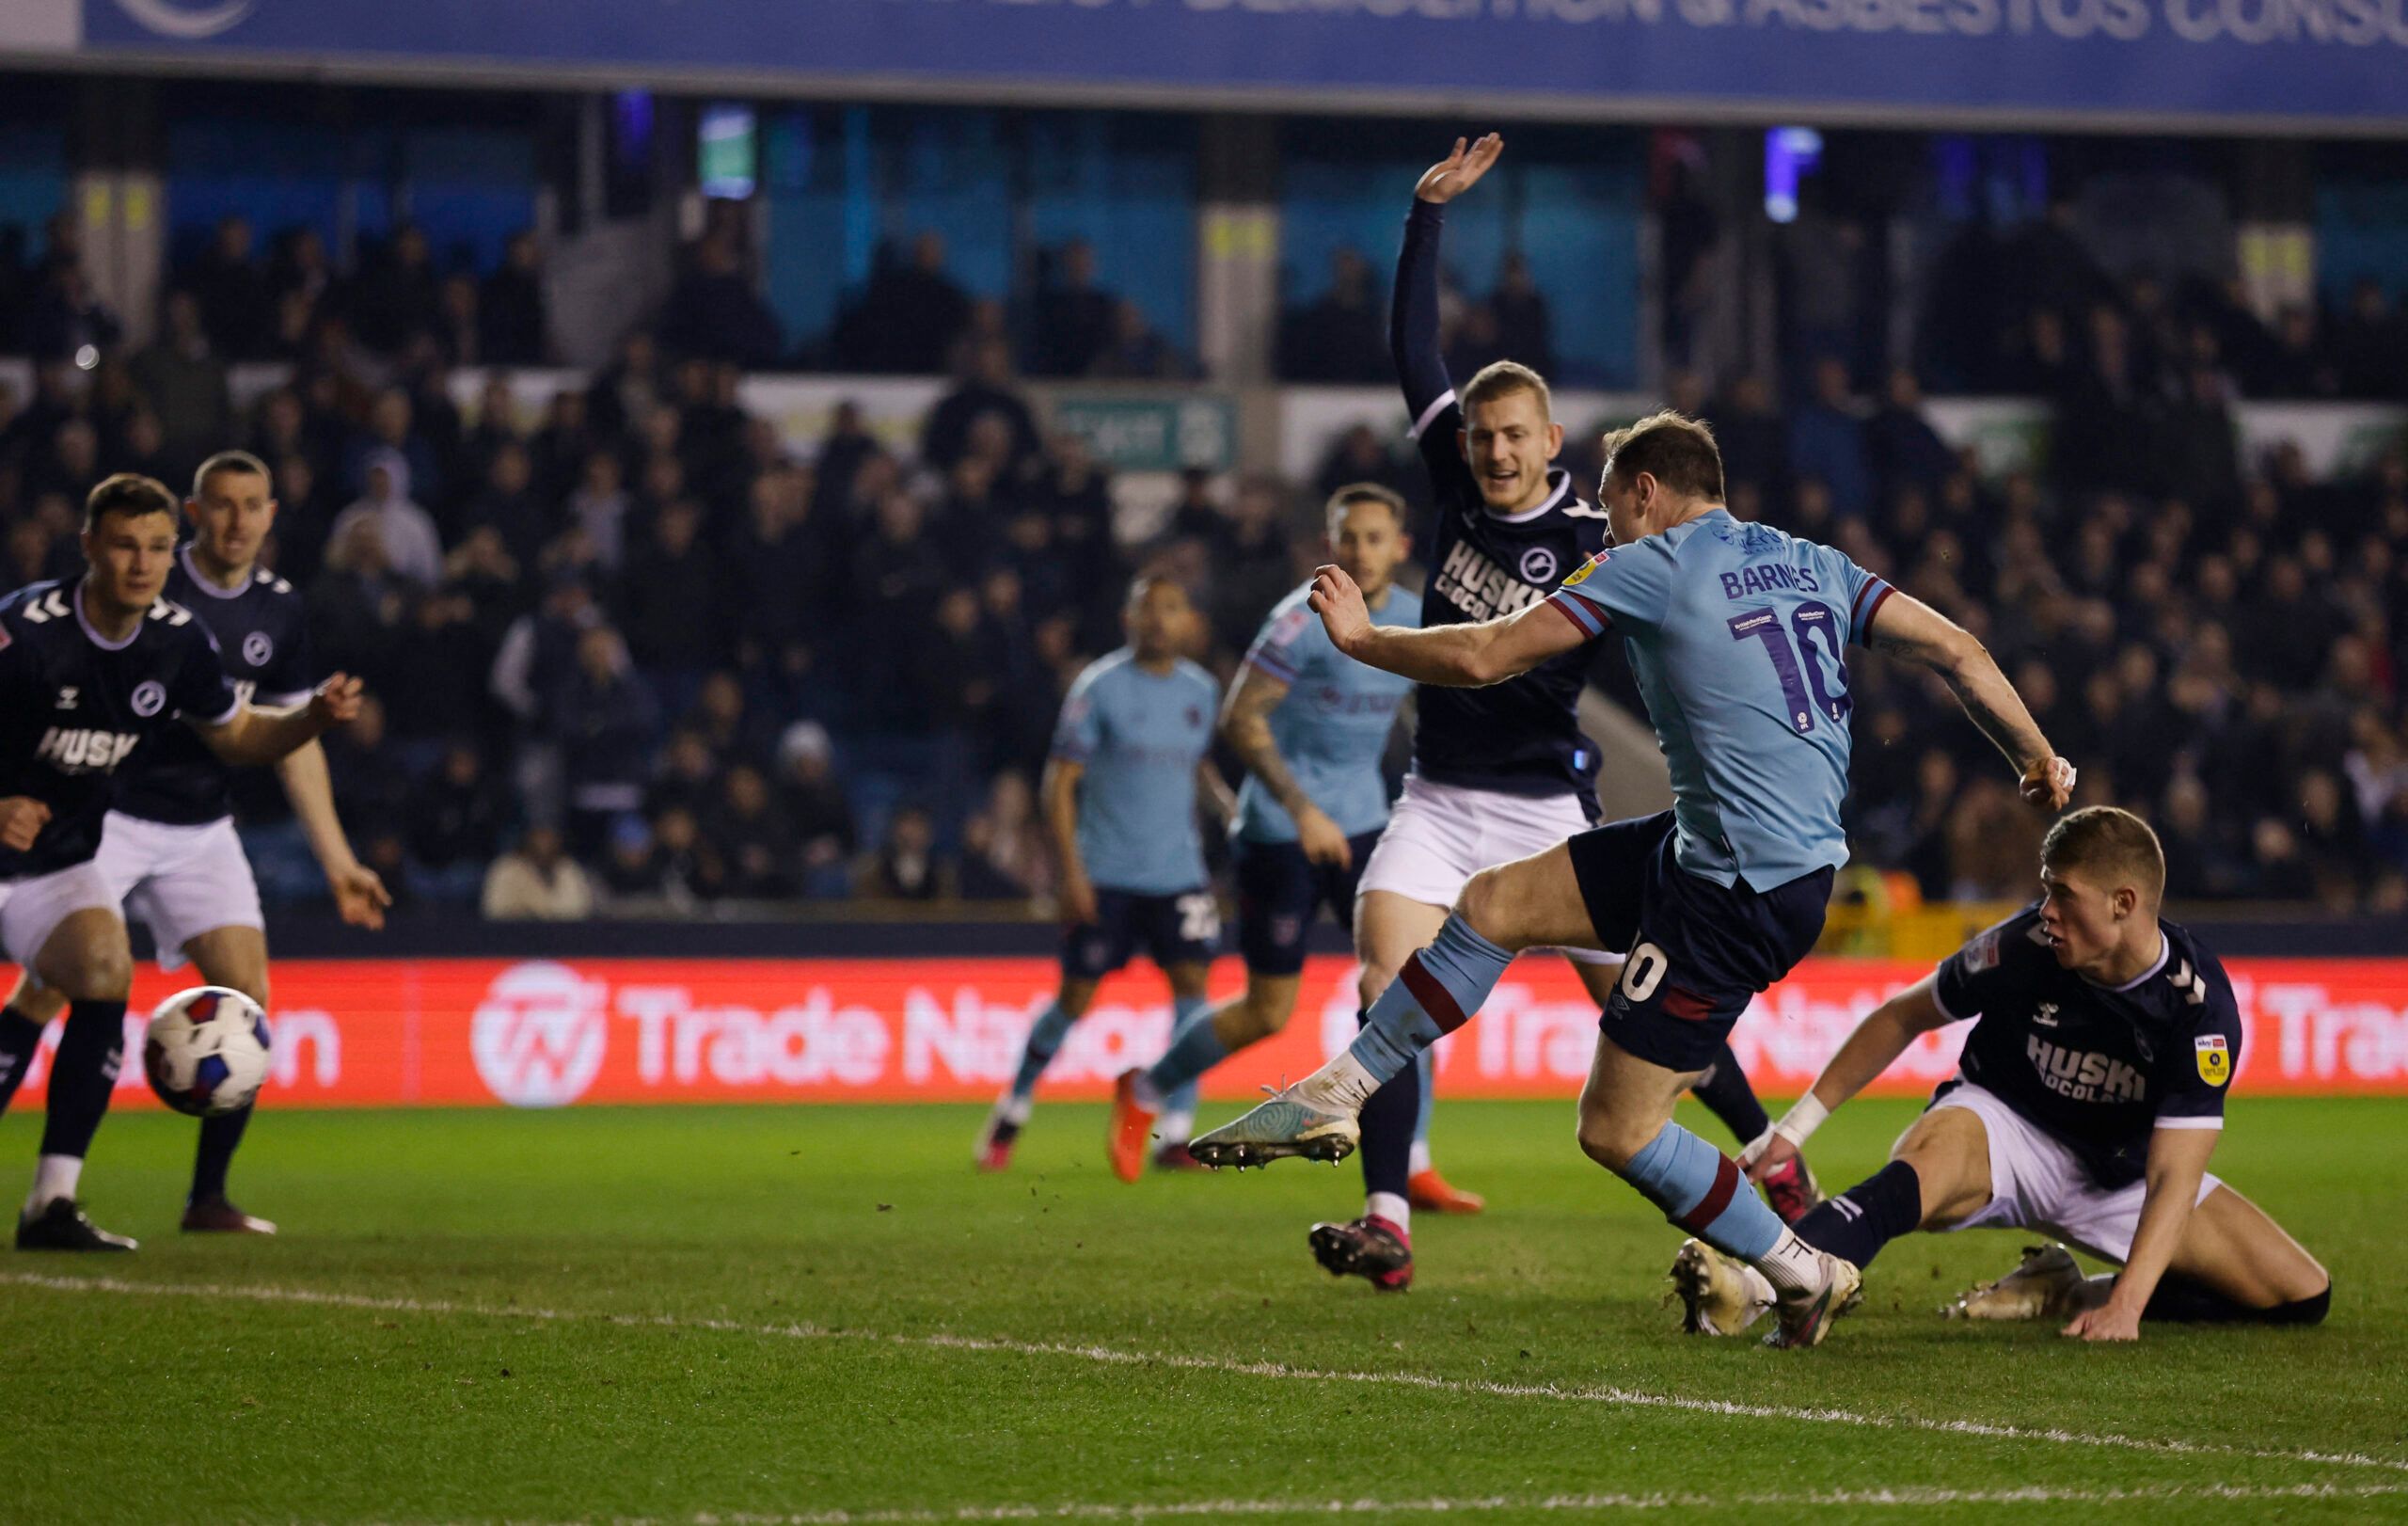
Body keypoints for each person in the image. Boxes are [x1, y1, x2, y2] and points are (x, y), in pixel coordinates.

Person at [1193, 407, 2074, 1348]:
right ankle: (1343, 1085)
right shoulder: (1814, 561)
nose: (1600, 526)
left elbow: (1485, 652)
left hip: (1735, 887)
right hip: (1736, 847)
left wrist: (1365, 640)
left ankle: (1799, 1268)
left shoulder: (1647, 563)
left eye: (1609, 506)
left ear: (1645, 492)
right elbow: (1957, 648)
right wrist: (2038, 755)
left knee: (1615, 1127)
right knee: (1495, 900)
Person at [1259, 135, 1805, 1291]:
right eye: (1480, 435)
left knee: (1653, 1016)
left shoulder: (1606, 544)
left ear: (1552, 443)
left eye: (1515, 436)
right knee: (1380, 986)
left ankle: (1766, 1153)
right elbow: (1415, 349)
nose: (1495, 451)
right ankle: (1387, 1217)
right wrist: (1424, 218)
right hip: (1437, 802)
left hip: (1552, 810)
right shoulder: (1456, 489)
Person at [1675, 807, 2329, 1342]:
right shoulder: (2024, 946)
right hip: (2008, 1128)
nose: (2046, 909)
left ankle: (2068, 1288)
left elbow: (2174, 1173)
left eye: (2063, 895)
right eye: (2046, 889)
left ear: (2124, 902)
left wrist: (2124, 1302)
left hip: (2122, 1177)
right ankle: (1754, 1289)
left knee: (2301, 1294)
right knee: (1920, 1167)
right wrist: (1795, 1128)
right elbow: (1902, 1016)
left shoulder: (2198, 1008)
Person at [0, 453, 389, 1237]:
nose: (237, 521)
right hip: (101, 819)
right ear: (193, 514)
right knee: (50, 987)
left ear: (273, 514)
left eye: (253, 505)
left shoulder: (243, 621)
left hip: (178, 828)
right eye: (221, 505)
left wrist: (333, 837)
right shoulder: (54, 621)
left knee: (227, 997)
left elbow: (252, 735)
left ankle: (182, 1197)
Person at [1109, 485, 1461, 1192]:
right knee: (1269, 1011)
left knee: (1404, 988)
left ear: (1399, 546)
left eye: (1373, 537)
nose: (1359, 550)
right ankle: (1146, 1089)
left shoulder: (1414, 621)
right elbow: (1241, 718)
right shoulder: (1302, 619)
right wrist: (1302, 810)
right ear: (1331, 545)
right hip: (1279, 830)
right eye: (1347, 537)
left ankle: (1413, 1165)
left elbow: (1437, 707)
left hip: (1365, 822)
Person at [977, 576, 1233, 1170]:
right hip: (1108, 875)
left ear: (1189, 621)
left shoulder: (1202, 691)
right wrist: (1072, 874)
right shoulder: (1099, 688)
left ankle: (1175, 1132)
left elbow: (1195, 766)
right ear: (1128, 619)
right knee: (1073, 999)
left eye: (1171, 609)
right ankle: (1012, 1109)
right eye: (1148, 611)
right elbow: (1058, 785)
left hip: (1179, 875)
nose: (1158, 621)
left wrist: (1227, 807)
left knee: (1193, 993)